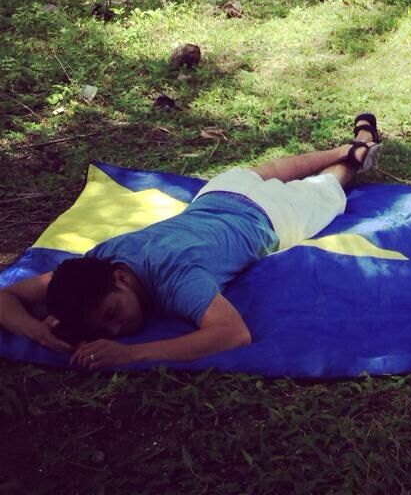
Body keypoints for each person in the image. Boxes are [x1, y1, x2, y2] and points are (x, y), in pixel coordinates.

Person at [0, 114, 381, 370]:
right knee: (270, 171)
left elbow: (233, 334)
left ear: (121, 278)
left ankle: (359, 148)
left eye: (112, 314)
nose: (115, 330)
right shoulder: (95, 262)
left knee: (328, 186)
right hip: (217, 193)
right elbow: (6, 296)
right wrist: (35, 329)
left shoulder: (177, 280)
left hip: (271, 217)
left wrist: (131, 354)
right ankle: (344, 148)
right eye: (103, 328)